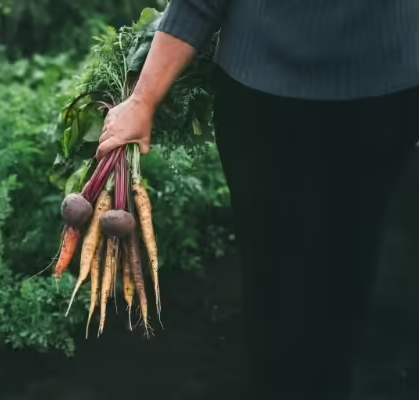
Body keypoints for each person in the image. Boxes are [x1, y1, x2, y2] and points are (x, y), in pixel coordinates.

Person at [95, 1, 419, 399]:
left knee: (338, 268)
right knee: (289, 273)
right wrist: (142, 99)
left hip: (375, 95)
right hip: (269, 101)